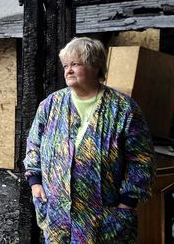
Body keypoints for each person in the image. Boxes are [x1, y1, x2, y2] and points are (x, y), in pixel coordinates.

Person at [24, 37, 155, 243]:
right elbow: (34, 145)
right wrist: (35, 182)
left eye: (75, 64)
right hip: (58, 216)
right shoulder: (51, 105)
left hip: (104, 219)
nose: (68, 70)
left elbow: (141, 159)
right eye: (66, 65)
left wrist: (127, 202)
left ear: (95, 66)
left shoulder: (123, 108)